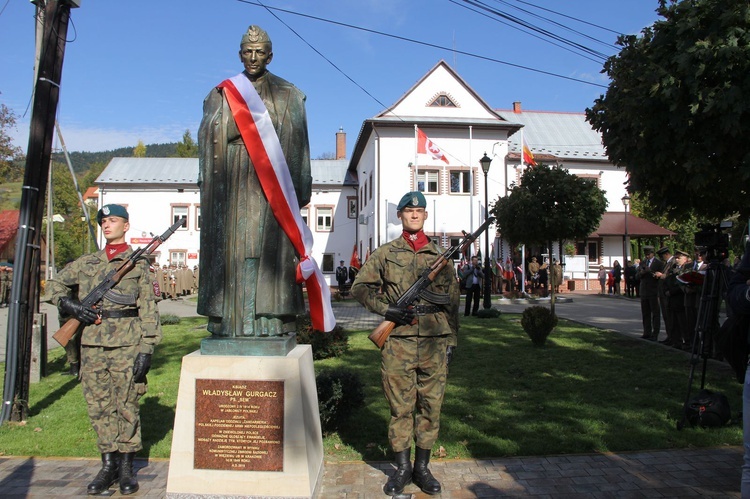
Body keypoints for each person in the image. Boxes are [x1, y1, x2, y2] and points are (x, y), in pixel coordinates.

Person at [198, 25, 312, 337]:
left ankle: (269, 321)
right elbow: (208, 130)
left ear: (270, 56)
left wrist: (300, 186)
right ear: (239, 55)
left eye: (259, 52)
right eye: (247, 52)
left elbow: (299, 140)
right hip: (232, 182)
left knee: (268, 252)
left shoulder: (289, 94)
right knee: (233, 252)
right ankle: (230, 323)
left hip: (271, 186)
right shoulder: (222, 92)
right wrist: (233, 127)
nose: (253, 57)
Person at [43, 204, 162, 496]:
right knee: (99, 406)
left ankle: (126, 468)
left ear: (126, 225)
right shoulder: (86, 263)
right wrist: (69, 305)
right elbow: (53, 286)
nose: (107, 225)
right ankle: (107, 465)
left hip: (126, 344)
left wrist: (146, 348)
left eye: (113, 220)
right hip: (92, 345)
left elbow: (148, 309)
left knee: (127, 404)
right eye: (104, 221)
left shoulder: (138, 265)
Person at [351, 191, 459, 496]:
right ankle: (401, 469)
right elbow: (359, 288)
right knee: (400, 408)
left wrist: (452, 340)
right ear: (400, 215)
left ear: (425, 216)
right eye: (408, 210)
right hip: (398, 340)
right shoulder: (385, 254)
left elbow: (451, 301)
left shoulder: (439, 257)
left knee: (431, 406)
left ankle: (422, 469)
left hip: (434, 342)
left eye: (419, 210)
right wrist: (387, 310)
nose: (414, 214)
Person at [638, 246, 664, 340]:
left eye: (649, 254)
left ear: (653, 253)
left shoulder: (659, 263)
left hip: (654, 291)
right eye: (646, 254)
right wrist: (641, 273)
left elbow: (660, 276)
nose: (647, 256)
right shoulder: (642, 262)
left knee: (655, 314)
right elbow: (637, 276)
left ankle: (655, 334)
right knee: (645, 313)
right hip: (644, 291)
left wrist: (650, 271)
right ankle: (646, 332)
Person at [654, 247, 676, 345]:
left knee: (670, 317)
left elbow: (672, 276)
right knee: (666, 317)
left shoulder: (673, 262)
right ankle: (669, 336)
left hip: (668, 293)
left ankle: (673, 337)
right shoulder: (666, 263)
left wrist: (661, 275)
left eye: (662, 256)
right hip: (663, 293)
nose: (661, 258)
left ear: (666, 254)